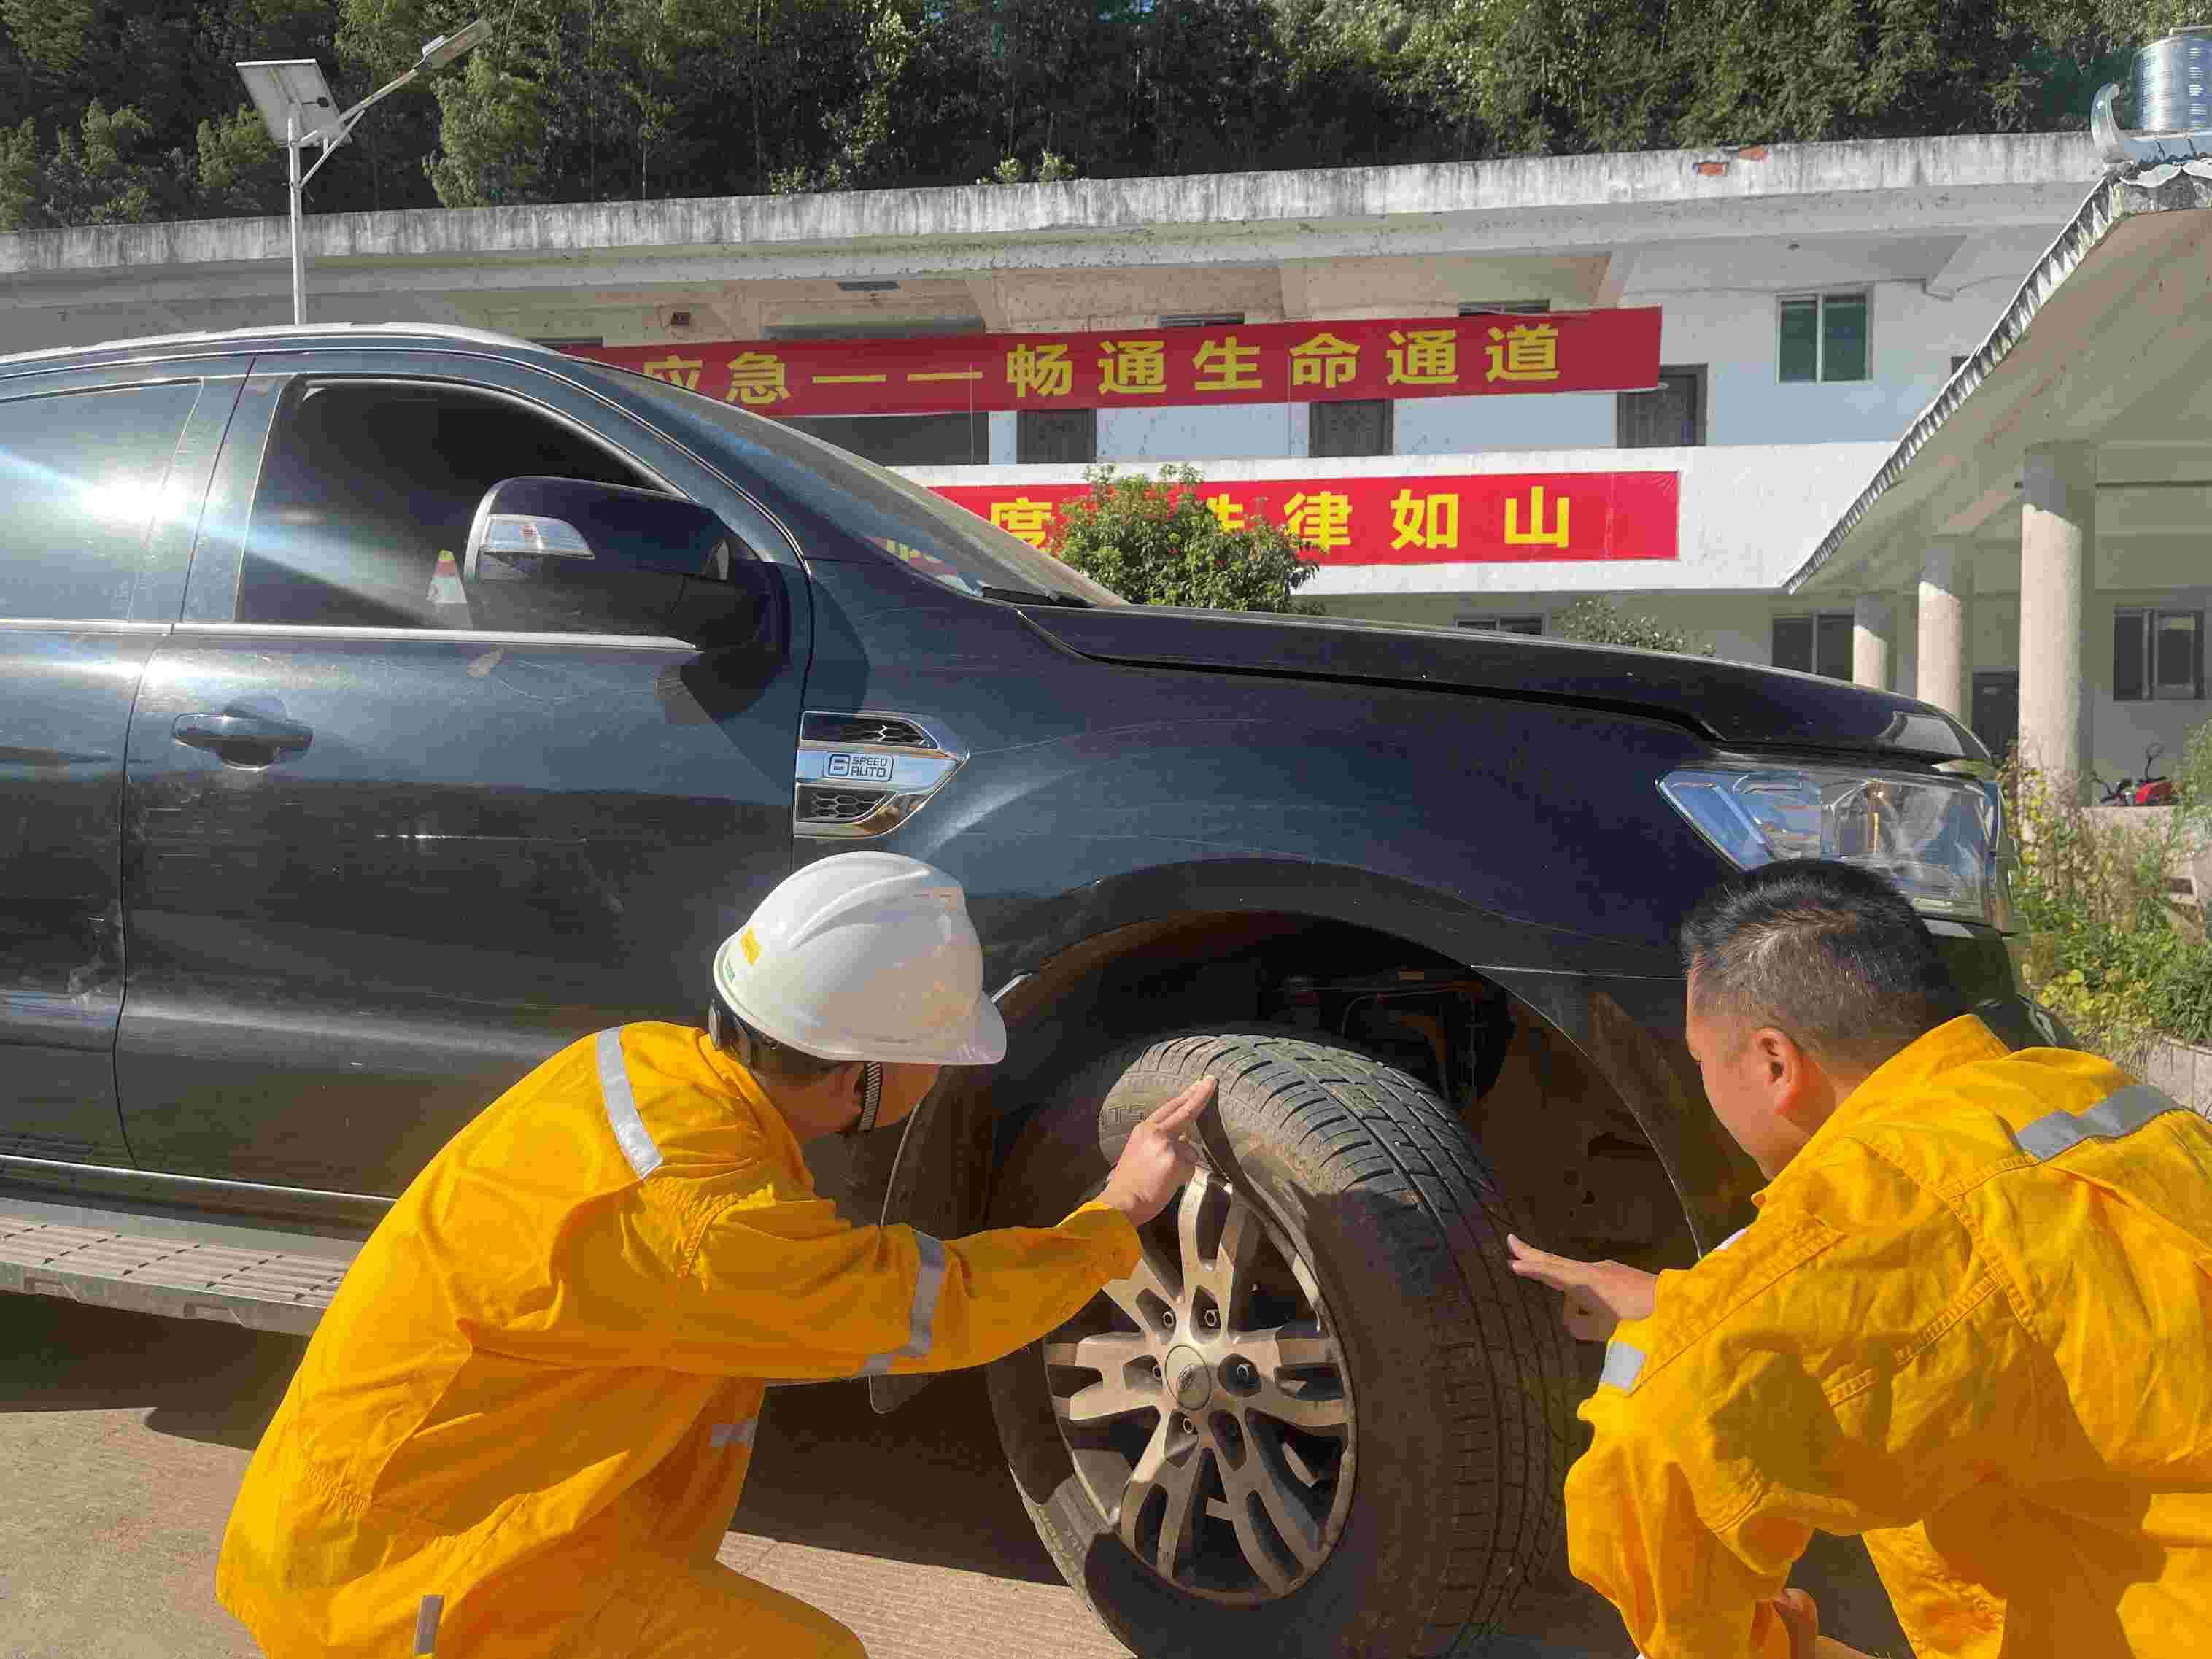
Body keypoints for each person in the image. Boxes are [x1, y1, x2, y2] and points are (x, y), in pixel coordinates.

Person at [217, 851, 1215, 1659]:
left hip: (349, 1524)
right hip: (413, 1589)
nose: (944, 1076)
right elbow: (932, 1307)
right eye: (938, 1057)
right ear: (864, 1076)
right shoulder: (713, 1225)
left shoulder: (637, 1062)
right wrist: (1116, 1212)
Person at [1508, 858, 2212, 1659]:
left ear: (1774, 1064)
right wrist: (1692, 1302)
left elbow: (1662, 1438)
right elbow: (2005, 1290)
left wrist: (1760, 1648)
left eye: (1701, 1059)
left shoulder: (1884, 1200)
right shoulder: (2083, 1096)